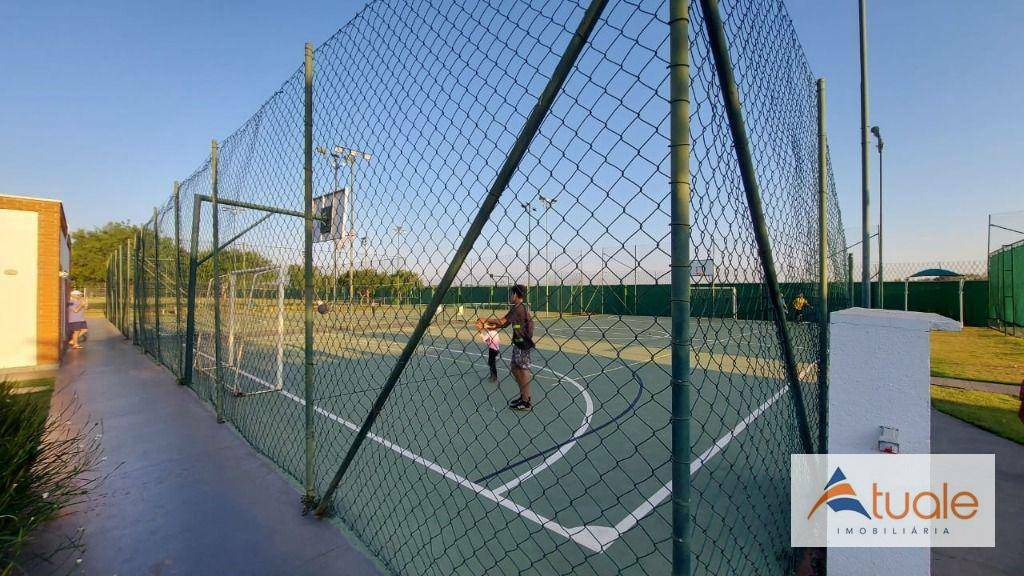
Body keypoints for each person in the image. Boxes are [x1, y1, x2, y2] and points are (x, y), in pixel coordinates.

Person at [478, 284, 535, 412]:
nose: (510, 296)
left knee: (522, 369)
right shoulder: (516, 308)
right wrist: (488, 326)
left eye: (511, 294)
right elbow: (504, 324)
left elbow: (502, 321)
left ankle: (526, 401)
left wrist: (484, 319)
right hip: (518, 343)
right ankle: (523, 396)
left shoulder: (518, 308)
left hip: (523, 343)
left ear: (515, 294)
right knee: (515, 368)